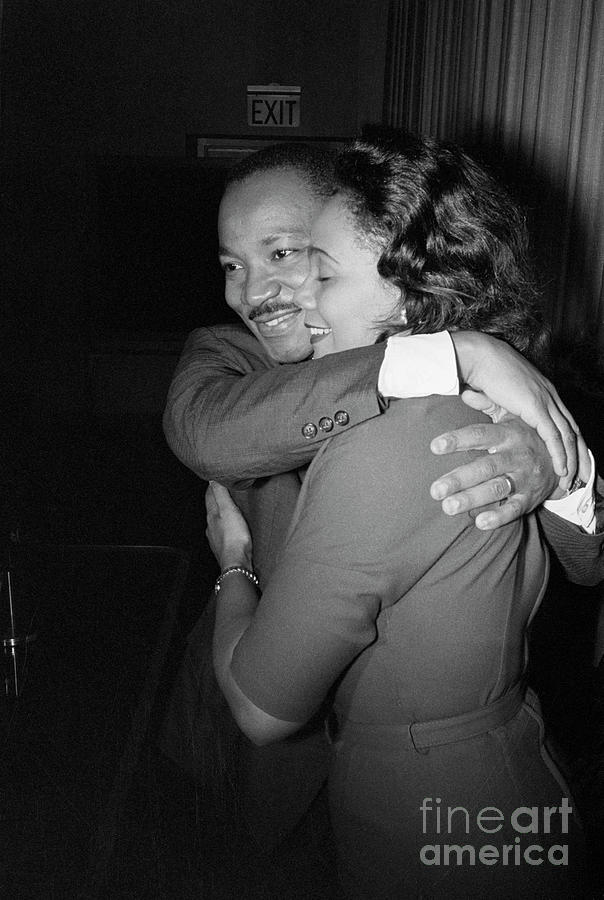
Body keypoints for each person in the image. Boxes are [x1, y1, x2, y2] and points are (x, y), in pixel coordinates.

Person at [204, 133, 603, 898]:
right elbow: (205, 424)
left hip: (433, 808)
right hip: (509, 772)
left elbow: (259, 709)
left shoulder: (388, 449)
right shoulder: (484, 402)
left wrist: (232, 562)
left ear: (410, 293)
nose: (298, 299)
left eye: (319, 271)